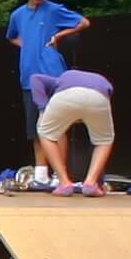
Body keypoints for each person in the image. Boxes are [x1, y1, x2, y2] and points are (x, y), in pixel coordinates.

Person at [3, 0, 90, 145]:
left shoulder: (53, 10)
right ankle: (41, 172)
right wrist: (27, 47)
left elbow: (83, 23)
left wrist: (59, 35)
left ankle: (60, 173)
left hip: (52, 75)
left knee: (58, 127)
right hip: (29, 78)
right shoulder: (17, 15)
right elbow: (11, 37)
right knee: (35, 131)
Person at [30, 68, 117, 196]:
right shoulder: (99, 79)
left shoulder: (57, 81)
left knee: (45, 134)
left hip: (67, 94)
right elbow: (108, 92)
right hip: (100, 95)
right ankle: (91, 183)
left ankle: (64, 183)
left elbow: (35, 78)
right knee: (104, 140)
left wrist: (43, 107)